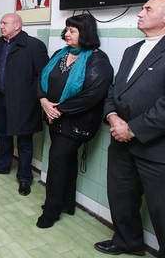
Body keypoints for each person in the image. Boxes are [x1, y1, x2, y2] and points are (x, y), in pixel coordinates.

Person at [95, 0, 165, 258]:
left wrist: (131, 129)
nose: (140, 13)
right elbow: (114, 91)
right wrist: (112, 117)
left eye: (147, 9)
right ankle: (128, 242)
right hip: (123, 145)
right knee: (122, 200)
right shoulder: (133, 50)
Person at [36, 14, 113, 228]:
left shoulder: (98, 60)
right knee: (66, 163)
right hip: (54, 118)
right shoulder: (61, 54)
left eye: (72, 30)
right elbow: (41, 78)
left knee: (57, 162)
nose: (67, 34)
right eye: (67, 29)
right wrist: (43, 101)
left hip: (76, 123)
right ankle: (67, 203)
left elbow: (93, 94)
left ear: (85, 33)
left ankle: (51, 211)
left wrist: (58, 109)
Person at [0, 13, 48, 196]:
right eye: (0, 23)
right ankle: (3, 165)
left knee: (24, 141)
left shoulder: (34, 46)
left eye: (4, 23)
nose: (1, 26)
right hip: (1, 98)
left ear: (17, 25)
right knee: (2, 134)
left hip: (24, 103)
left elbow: (44, 76)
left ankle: (25, 177)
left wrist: (37, 98)